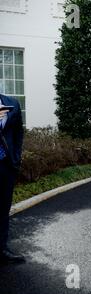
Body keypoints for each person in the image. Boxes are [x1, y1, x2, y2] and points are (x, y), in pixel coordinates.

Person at [0, 94, 25, 266]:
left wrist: (15, 159)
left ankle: (1, 249)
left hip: (5, 166)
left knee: (2, 210)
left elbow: (18, 133)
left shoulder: (12, 104)